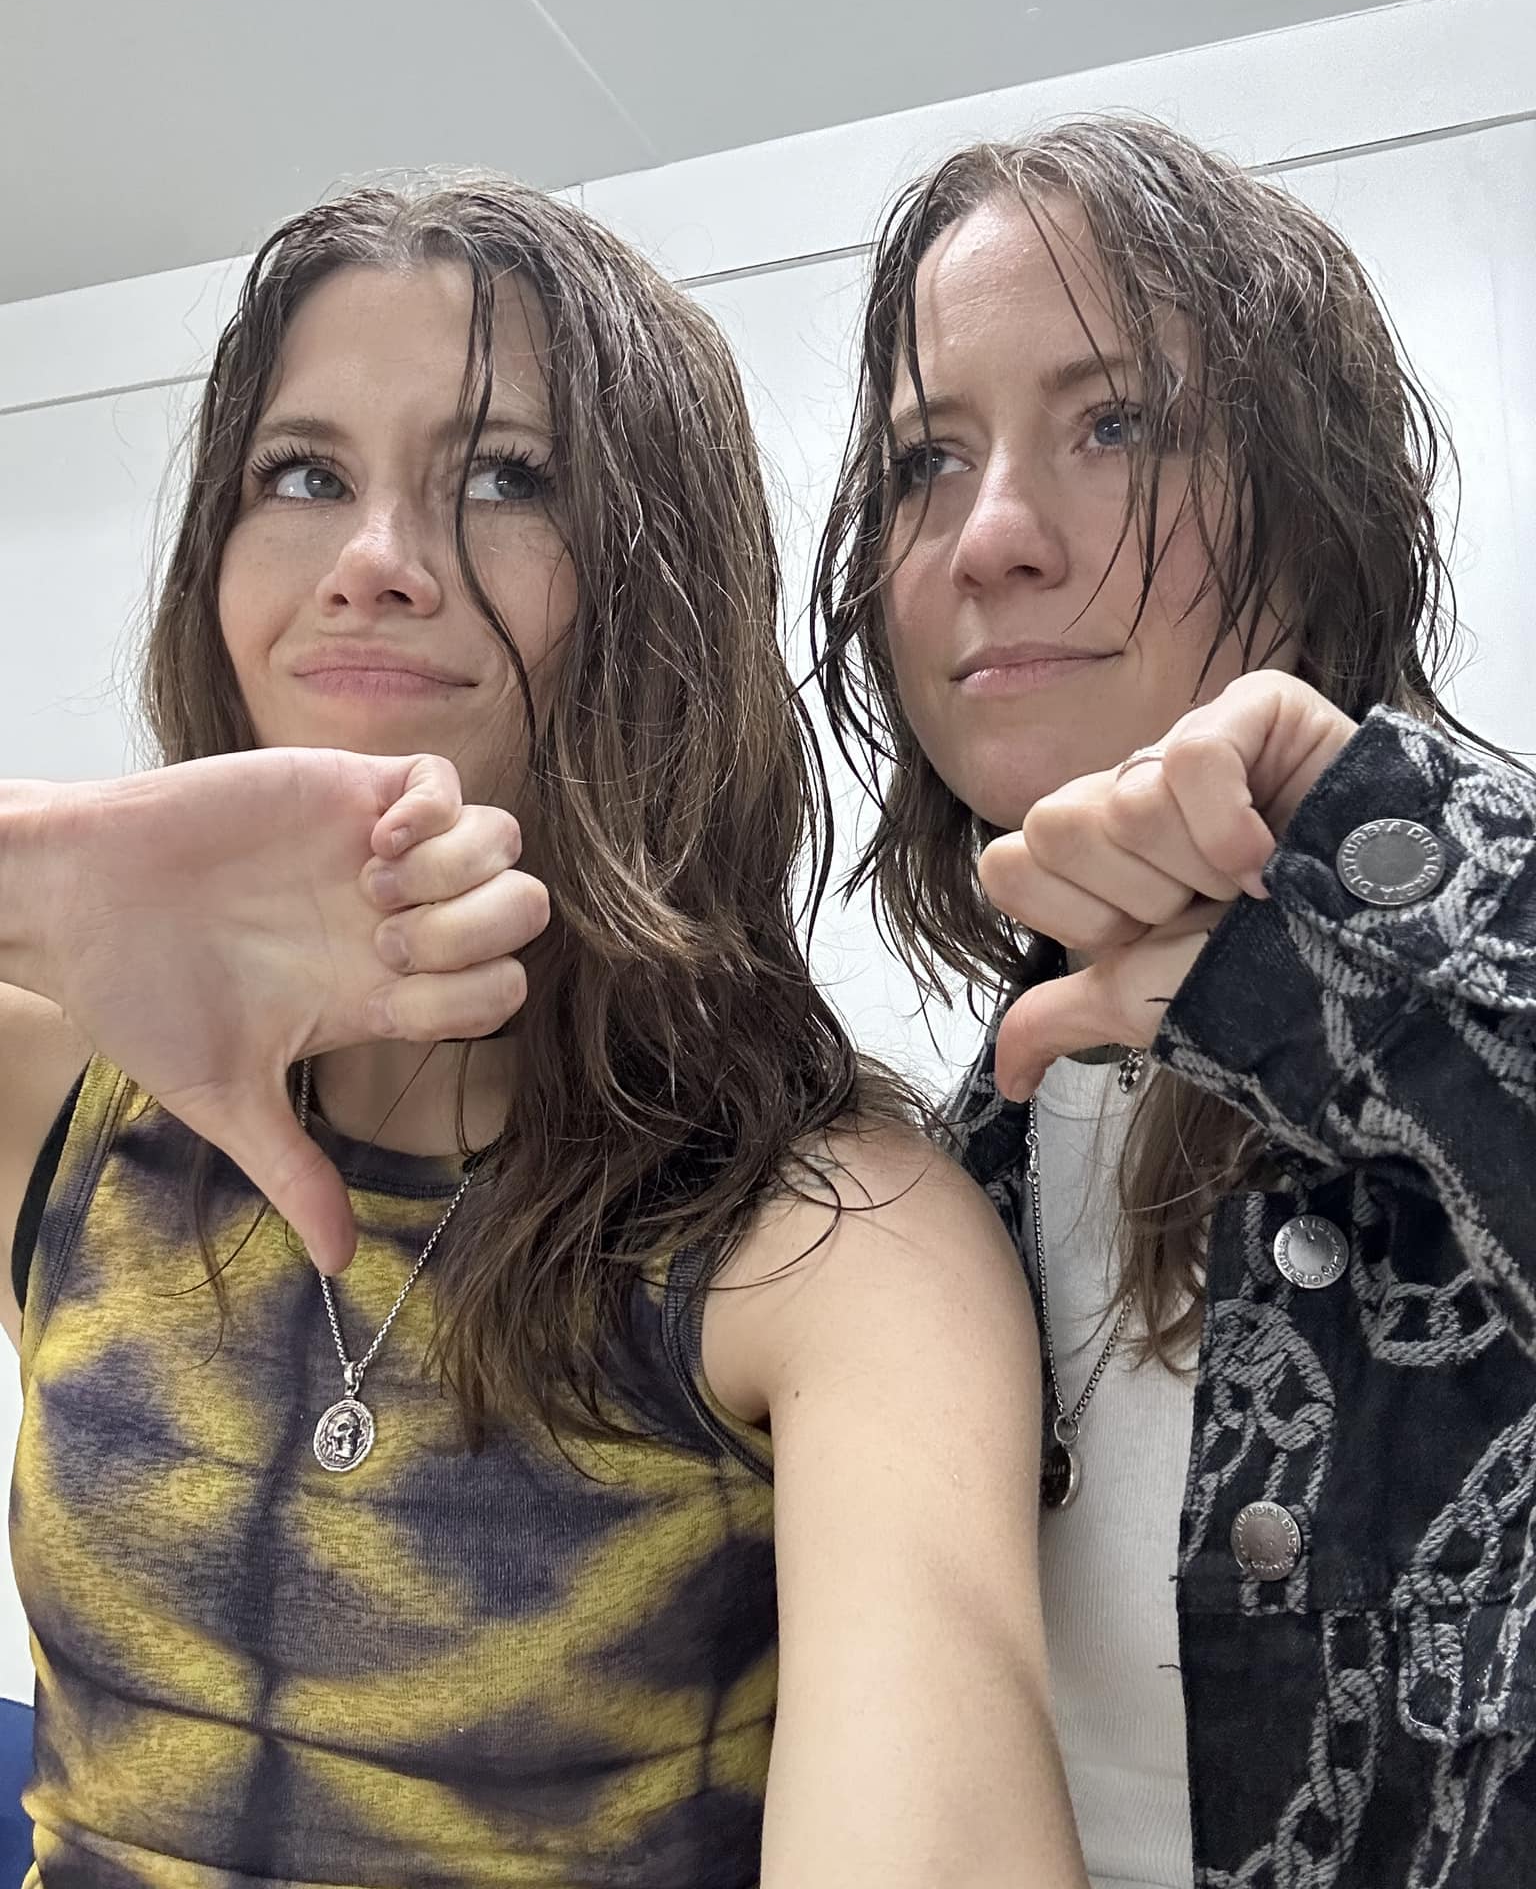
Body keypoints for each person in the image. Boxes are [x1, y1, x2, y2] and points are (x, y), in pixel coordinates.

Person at [0, 178, 1089, 1887]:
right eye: (303, 475)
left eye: (506, 477)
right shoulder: (61, 1095)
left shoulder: (836, 1247)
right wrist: (31, 876)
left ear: (658, 593)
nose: (373, 561)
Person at [813, 117, 1536, 1888]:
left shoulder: (1484, 973)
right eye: (925, 460)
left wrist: (1394, 877)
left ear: (1315, 502)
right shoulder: (943, 1183)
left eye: (1117, 423)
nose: (990, 535)